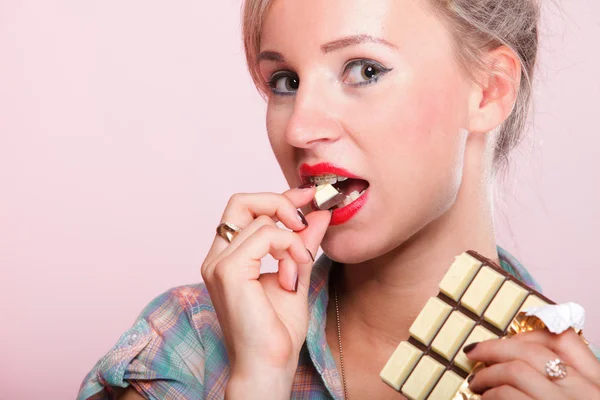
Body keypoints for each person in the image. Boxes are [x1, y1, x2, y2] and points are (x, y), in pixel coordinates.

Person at [77, 0, 600, 399]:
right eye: (284, 81)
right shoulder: (189, 345)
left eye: (366, 71)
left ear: (489, 91)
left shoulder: (574, 383)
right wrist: (259, 380)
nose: (301, 128)